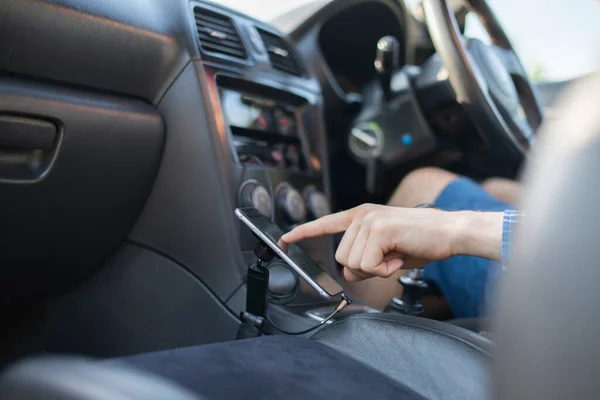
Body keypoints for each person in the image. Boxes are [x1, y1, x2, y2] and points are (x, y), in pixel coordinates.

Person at [281, 167, 522, 318]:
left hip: (542, 294)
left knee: (421, 185)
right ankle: (439, 298)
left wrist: (451, 228)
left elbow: (560, 248)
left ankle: (340, 306)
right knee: (496, 188)